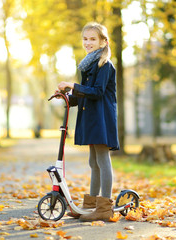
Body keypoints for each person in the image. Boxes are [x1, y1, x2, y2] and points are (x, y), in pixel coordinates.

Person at [56, 22, 119, 222]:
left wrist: (73, 85)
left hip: (102, 118)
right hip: (92, 117)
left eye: (92, 39)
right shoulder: (89, 64)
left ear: (103, 42)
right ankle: (91, 205)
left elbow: (98, 92)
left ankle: (104, 206)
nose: (88, 42)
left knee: (102, 160)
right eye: (85, 39)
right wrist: (68, 95)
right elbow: (85, 93)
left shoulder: (104, 64)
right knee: (93, 162)